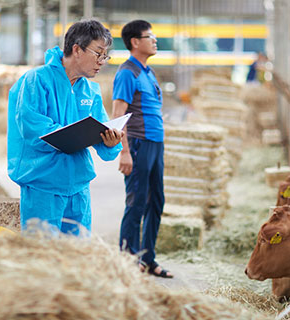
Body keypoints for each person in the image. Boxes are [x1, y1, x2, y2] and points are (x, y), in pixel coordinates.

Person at [7, 20, 123, 235]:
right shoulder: (36, 80)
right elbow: (32, 128)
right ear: (77, 49)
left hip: (78, 185)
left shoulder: (90, 90)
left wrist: (111, 140)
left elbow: (103, 137)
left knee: (75, 256)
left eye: (105, 56)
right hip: (43, 184)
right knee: (43, 256)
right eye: (98, 53)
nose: (102, 62)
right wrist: (72, 136)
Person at [112, 20, 173, 278]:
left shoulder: (147, 71)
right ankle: (128, 259)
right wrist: (124, 151)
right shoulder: (127, 73)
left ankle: (147, 258)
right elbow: (118, 115)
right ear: (135, 42)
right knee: (137, 202)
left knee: (156, 201)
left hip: (155, 144)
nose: (155, 40)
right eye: (150, 36)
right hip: (137, 143)